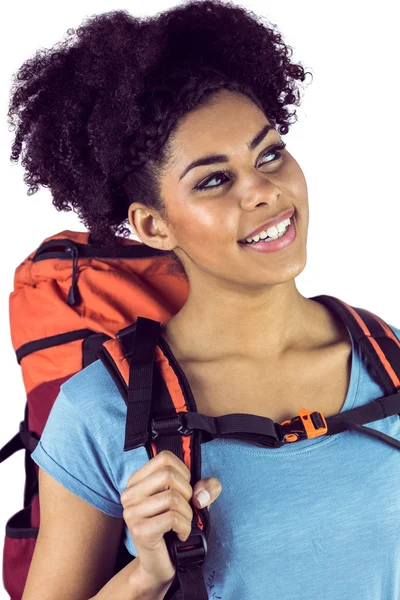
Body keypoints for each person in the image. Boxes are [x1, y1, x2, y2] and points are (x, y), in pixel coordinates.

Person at [7, 1, 400, 599]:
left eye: (269, 153)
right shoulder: (102, 410)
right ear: (153, 225)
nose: (265, 192)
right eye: (214, 180)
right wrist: (144, 574)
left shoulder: (386, 357)